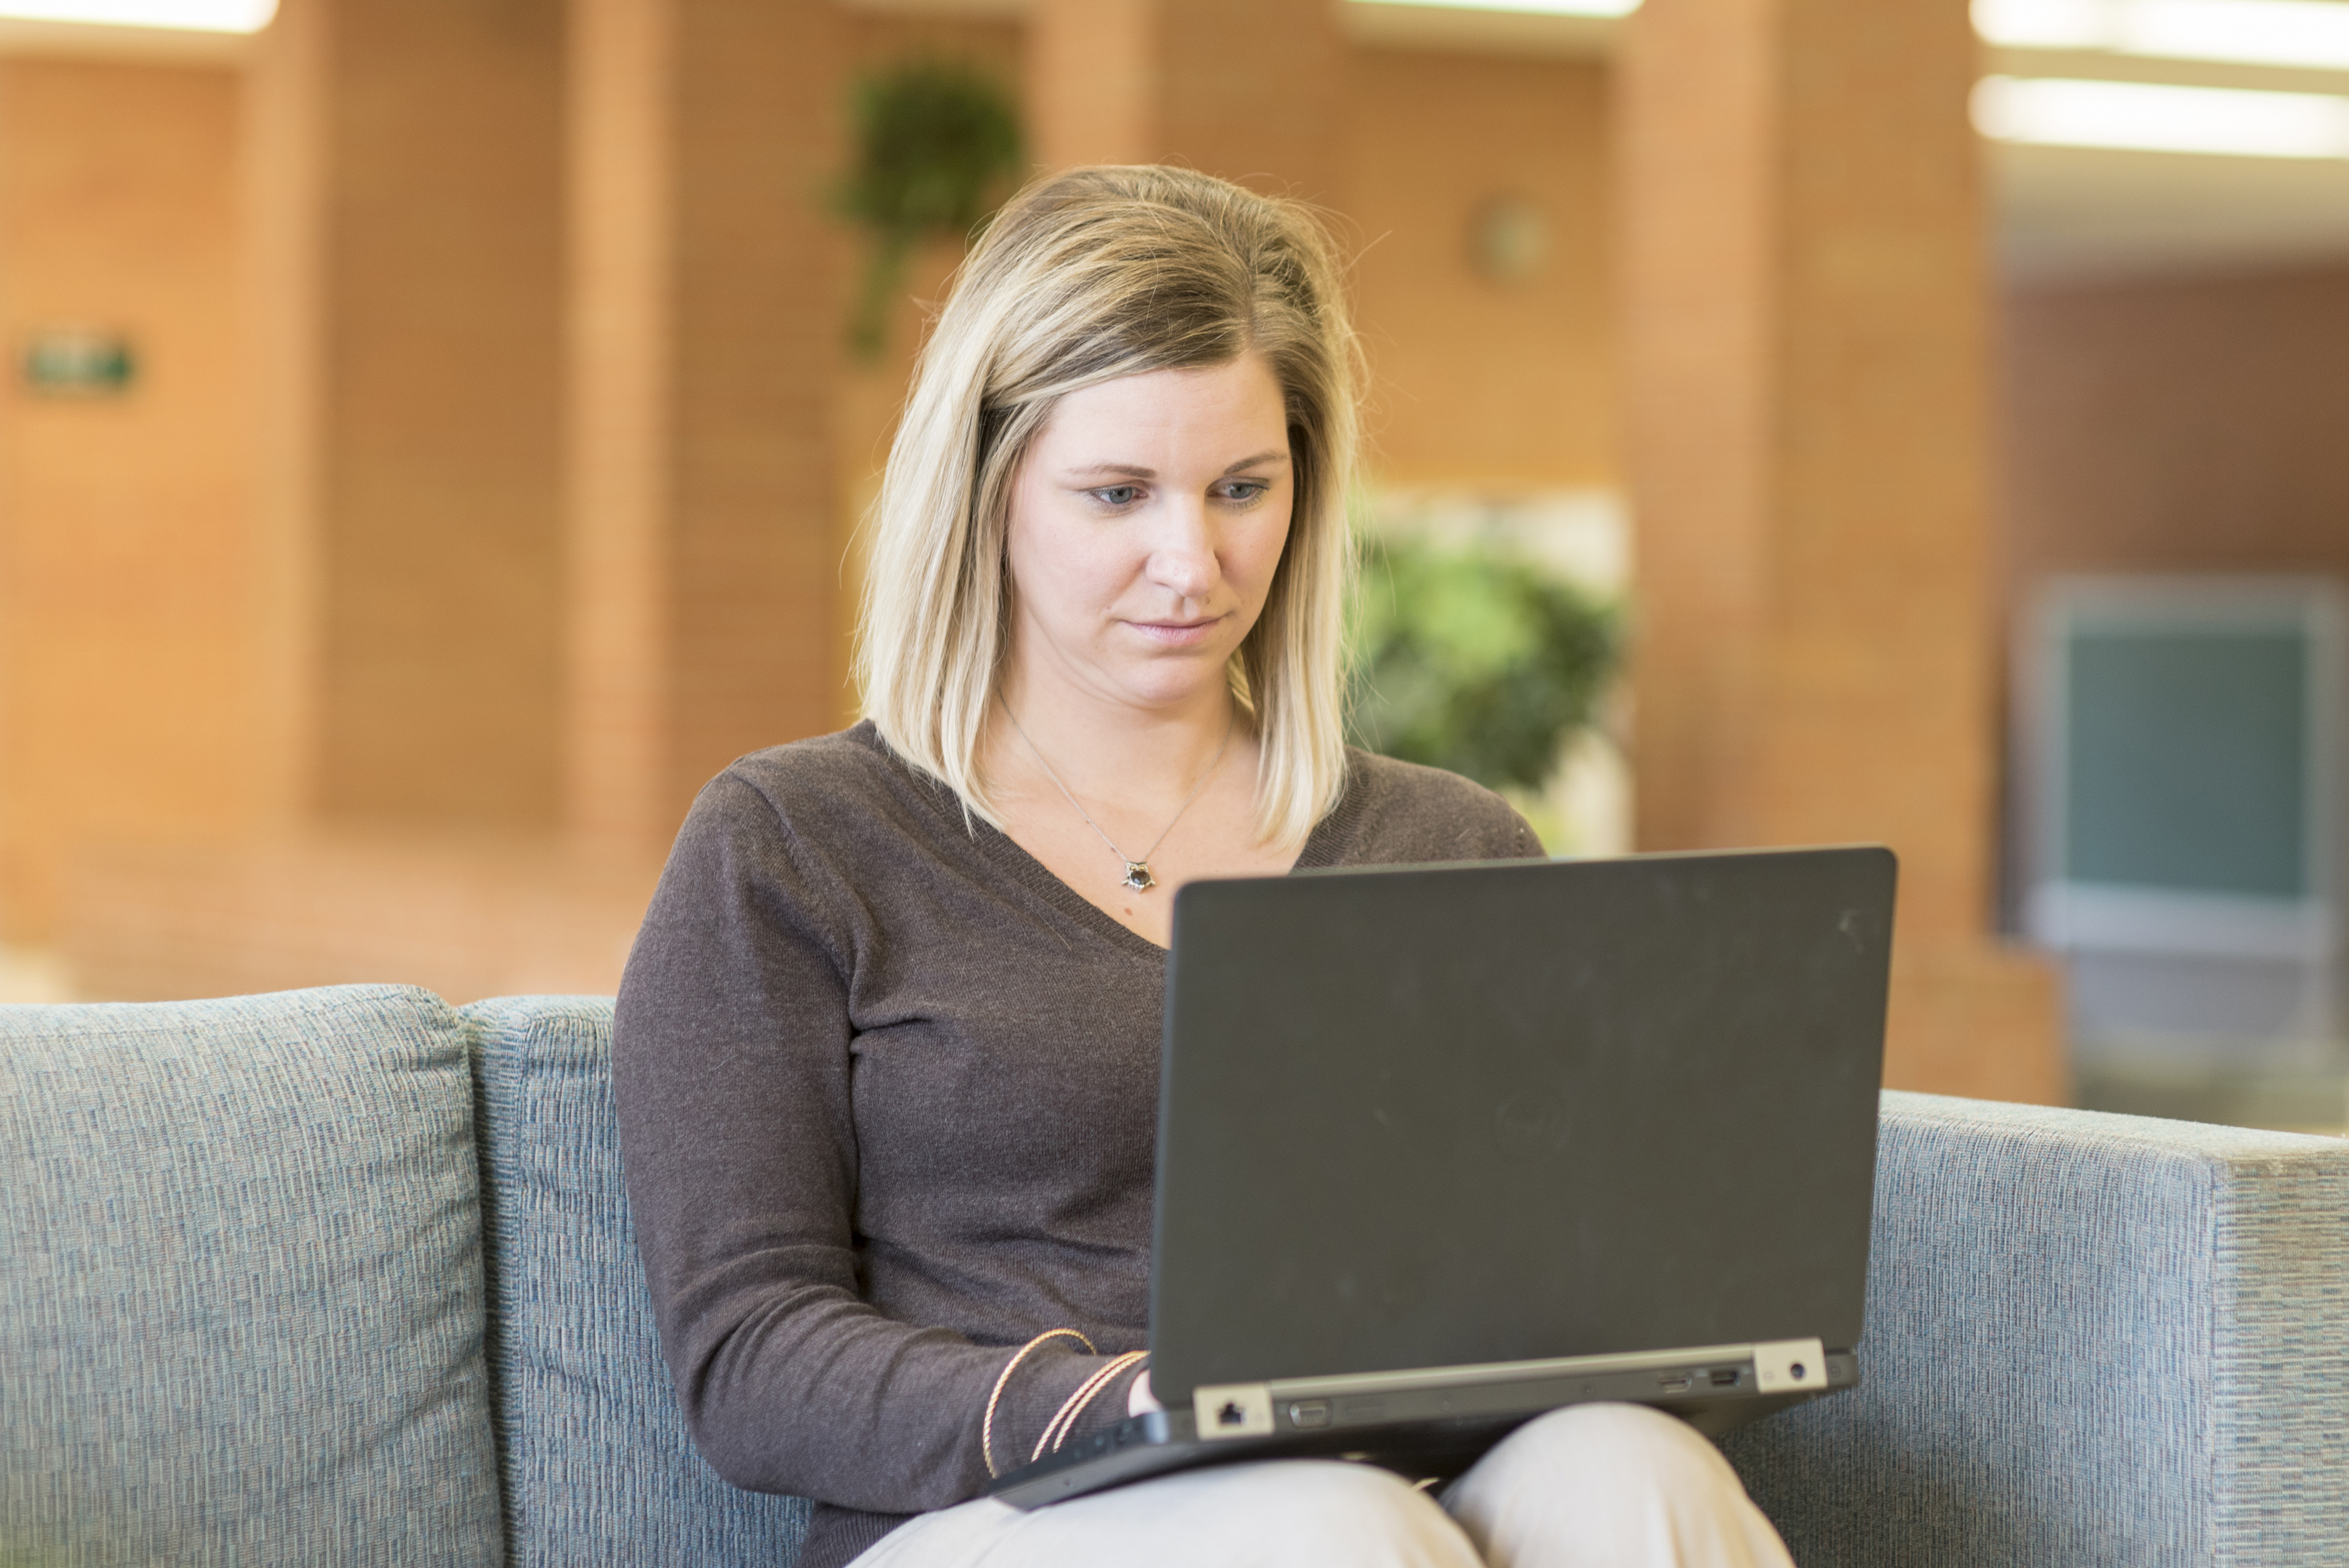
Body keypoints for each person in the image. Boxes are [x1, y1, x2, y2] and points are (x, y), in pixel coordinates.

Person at [611, 164, 1796, 1568]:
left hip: (1390, 1485)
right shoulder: (796, 843)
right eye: (1118, 494)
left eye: (1244, 487)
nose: (1195, 562)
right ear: (987, 493)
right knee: (1327, 1526)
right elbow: (749, 1358)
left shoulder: (1454, 848)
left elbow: (1562, 1280)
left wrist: (1671, 1330)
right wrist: (1127, 1407)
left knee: (1631, 1470)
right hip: (993, 1519)